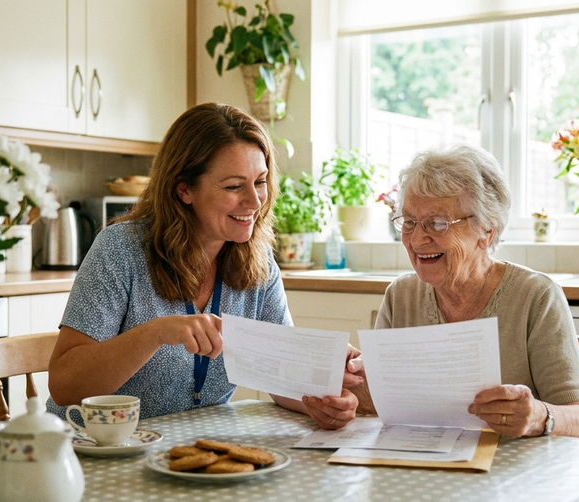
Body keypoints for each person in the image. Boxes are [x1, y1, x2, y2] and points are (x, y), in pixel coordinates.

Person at [47, 103, 357, 429]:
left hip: (186, 454)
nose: (255, 201)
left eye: (261, 181)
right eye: (234, 186)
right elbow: (66, 385)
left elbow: (279, 370)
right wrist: (154, 334)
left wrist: (320, 400)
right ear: (184, 190)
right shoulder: (120, 250)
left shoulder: (259, 263)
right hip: (92, 453)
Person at [345, 144, 579, 438]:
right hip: (421, 469)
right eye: (410, 222)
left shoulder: (536, 296)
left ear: (487, 230)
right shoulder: (401, 296)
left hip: (511, 475)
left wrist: (539, 416)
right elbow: (382, 404)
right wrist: (348, 389)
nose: (417, 239)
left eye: (437, 223)